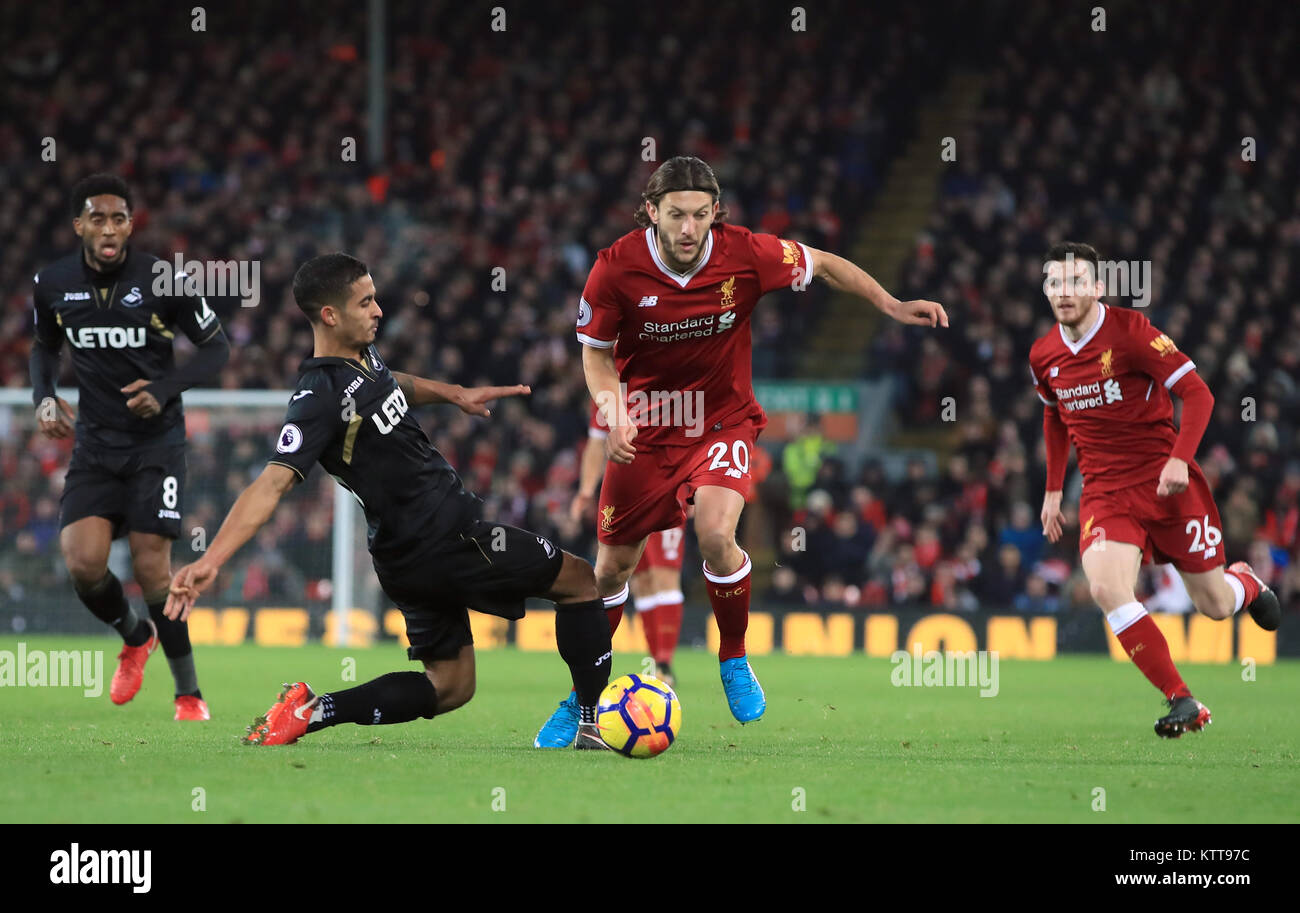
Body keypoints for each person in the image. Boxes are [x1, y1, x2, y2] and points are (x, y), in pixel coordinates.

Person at [537, 156, 947, 743]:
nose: (688, 229)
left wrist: (889, 304)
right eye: (675, 215)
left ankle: (732, 656)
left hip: (722, 422)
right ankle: (581, 700)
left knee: (715, 533)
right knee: (609, 571)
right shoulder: (615, 268)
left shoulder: (747, 253)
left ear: (715, 214)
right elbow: (596, 354)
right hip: (649, 432)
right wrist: (613, 410)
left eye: (701, 215)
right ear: (651, 211)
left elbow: (825, 264)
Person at [164, 253, 614, 748]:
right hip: (451, 535)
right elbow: (273, 480)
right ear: (331, 316)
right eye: (366, 301)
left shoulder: (361, 359)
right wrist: (213, 559)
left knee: (451, 687)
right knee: (580, 581)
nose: (379, 309)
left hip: (402, 558)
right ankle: (592, 722)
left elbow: (392, 382)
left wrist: (454, 393)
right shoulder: (318, 395)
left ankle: (315, 710)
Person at [1032, 241, 1279, 739]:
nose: (1065, 291)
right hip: (1106, 491)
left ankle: (1246, 582)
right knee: (1104, 586)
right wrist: (1053, 489)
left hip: (1167, 483)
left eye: (1076, 281)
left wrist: (1179, 461)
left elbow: (1198, 393)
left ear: (1097, 287)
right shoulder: (1044, 354)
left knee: (1213, 605)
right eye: (1055, 282)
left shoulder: (1131, 334)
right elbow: (1055, 414)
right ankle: (1182, 699)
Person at [30, 174, 230, 720]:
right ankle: (135, 635)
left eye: (120, 217)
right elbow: (44, 348)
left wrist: (164, 390)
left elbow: (217, 349)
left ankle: (189, 693)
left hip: (156, 446)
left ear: (131, 223)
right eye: (98, 218)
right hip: (95, 445)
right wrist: (44, 398)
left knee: (152, 570)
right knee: (84, 564)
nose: (110, 228)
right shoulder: (52, 282)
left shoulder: (165, 279)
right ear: (79, 225)